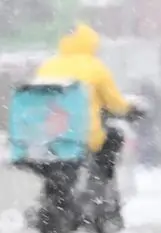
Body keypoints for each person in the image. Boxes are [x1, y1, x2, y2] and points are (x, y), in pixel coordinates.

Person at [35, 24, 135, 183]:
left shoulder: (48, 66)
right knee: (114, 136)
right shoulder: (95, 67)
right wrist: (129, 109)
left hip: (50, 135)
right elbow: (116, 104)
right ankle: (100, 181)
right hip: (84, 135)